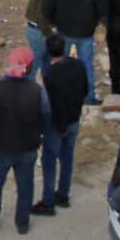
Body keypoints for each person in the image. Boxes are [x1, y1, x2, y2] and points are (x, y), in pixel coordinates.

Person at [0, 46, 50, 236]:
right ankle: (22, 223)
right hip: (27, 148)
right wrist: (40, 135)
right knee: (25, 186)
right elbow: (46, 117)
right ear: (29, 68)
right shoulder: (38, 91)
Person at [42, 0, 104, 100]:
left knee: (58, 64)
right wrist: (96, 21)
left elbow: (48, 2)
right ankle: (89, 97)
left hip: (64, 29)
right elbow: (102, 5)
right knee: (87, 64)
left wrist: (51, 21)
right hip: (86, 29)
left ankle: (57, 96)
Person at [37, 33, 88, 213]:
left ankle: (48, 201)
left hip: (58, 125)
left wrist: (60, 127)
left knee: (49, 161)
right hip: (74, 118)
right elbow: (85, 90)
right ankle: (63, 195)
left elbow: (56, 104)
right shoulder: (79, 65)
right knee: (68, 158)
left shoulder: (49, 74)